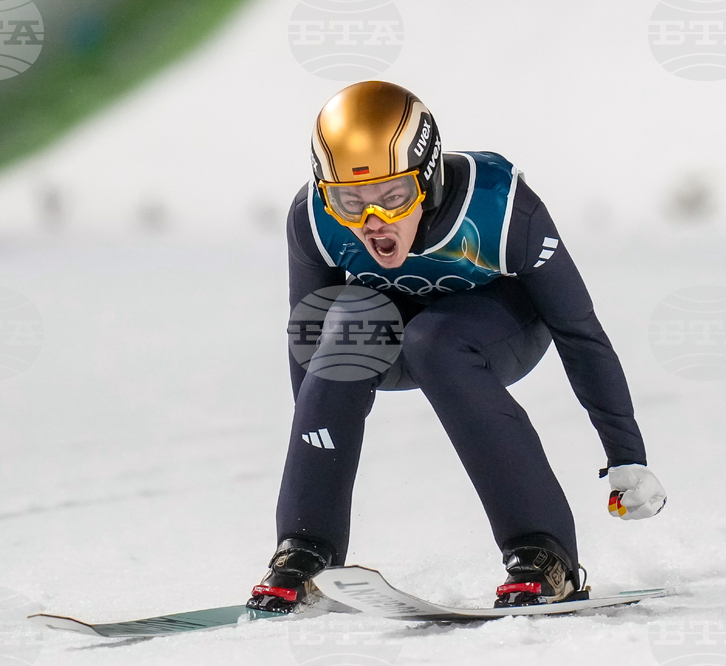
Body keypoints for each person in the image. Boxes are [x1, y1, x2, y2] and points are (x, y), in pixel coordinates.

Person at [246, 81, 667, 612]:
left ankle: (544, 550)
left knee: (436, 340)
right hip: (387, 331)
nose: (373, 222)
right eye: (350, 201)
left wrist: (625, 453)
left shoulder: (498, 203)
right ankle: (307, 550)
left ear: (427, 178)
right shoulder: (313, 216)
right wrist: (317, 441)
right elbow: (309, 339)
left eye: (393, 197)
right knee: (346, 321)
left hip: (496, 327)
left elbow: (578, 327)